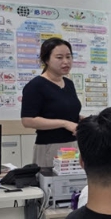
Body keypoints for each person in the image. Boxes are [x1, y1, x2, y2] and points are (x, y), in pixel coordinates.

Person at [21, 37, 82, 168]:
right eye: (59, 57)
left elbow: (66, 113)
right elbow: (28, 120)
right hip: (50, 147)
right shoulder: (36, 85)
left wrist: (84, 120)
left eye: (68, 57)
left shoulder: (69, 84)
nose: (66, 61)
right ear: (46, 60)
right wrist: (64, 123)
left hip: (72, 146)